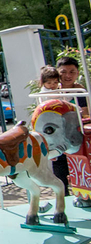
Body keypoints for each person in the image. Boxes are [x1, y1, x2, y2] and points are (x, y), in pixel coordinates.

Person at [55, 57, 88, 196]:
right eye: (64, 72)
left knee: (80, 166)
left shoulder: (80, 92)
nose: (68, 76)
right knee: (60, 169)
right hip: (58, 136)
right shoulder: (51, 90)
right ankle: (62, 198)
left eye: (72, 72)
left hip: (75, 135)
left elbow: (86, 113)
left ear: (77, 73)